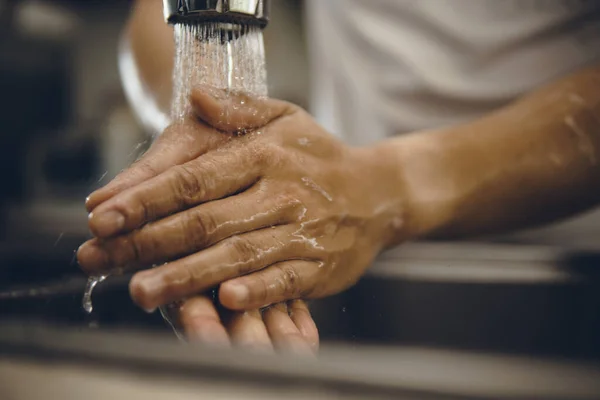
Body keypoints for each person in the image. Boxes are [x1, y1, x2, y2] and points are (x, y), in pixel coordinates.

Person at [78, 0, 600, 351]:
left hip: (564, 266)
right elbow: (154, 14)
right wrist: (209, 154)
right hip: (329, 248)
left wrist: (387, 185)